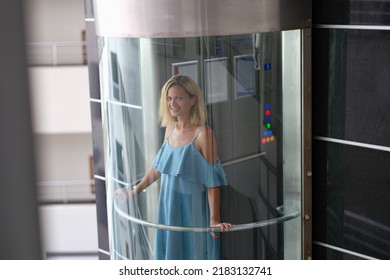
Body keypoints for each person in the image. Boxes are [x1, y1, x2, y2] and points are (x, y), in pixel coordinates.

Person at [123, 75, 232, 260]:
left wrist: (214, 219)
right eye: (169, 98)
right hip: (168, 205)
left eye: (179, 98)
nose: (172, 103)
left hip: (192, 208)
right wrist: (135, 191)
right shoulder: (170, 129)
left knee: (194, 255)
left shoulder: (203, 135)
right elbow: (158, 168)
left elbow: (213, 182)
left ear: (193, 100)